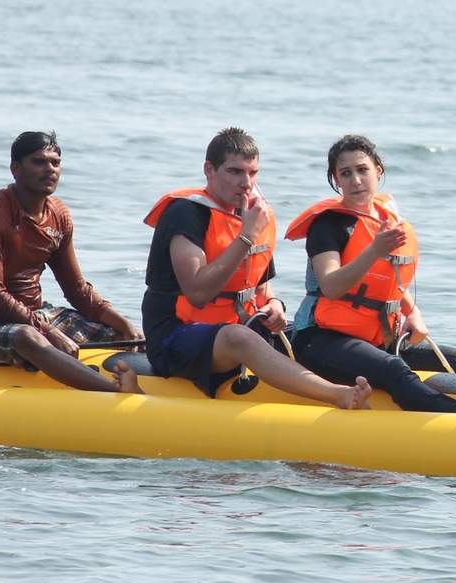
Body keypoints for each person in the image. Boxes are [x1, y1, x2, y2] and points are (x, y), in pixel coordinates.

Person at [142, 127, 369, 409]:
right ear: (209, 170)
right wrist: (246, 237)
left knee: (306, 336)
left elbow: (259, 285)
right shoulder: (186, 214)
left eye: (252, 173)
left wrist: (273, 303)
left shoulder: (252, 214)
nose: (246, 183)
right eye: (235, 172)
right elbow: (197, 292)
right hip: (175, 336)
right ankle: (337, 395)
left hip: (239, 325)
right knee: (238, 337)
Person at [285, 134, 456, 415]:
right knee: (393, 368)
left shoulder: (385, 220)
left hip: (377, 337)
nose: (355, 180)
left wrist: (412, 313)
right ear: (336, 179)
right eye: (346, 173)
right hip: (321, 341)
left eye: (362, 170)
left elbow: (389, 282)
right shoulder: (327, 225)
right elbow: (330, 286)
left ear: (378, 171)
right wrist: (374, 250)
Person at [0, 131, 143, 393]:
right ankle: (113, 393)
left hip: (37, 314)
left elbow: (77, 290)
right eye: (39, 162)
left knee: (125, 336)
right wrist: (49, 333)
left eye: (55, 163)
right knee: (27, 336)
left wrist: (123, 323)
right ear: (15, 168)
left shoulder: (59, 215)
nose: (50, 169)